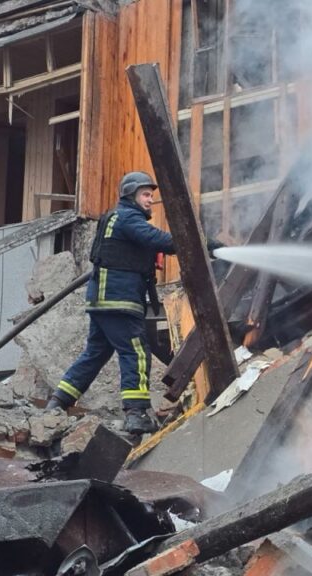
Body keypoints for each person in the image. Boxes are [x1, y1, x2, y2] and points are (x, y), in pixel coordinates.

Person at [46, 171, 221, 434]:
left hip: (103, 300)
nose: (150, 200)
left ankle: (58, 401)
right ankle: (136, 413)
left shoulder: (117, 217)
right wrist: (201, 243)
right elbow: (159, 239)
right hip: (119, 300)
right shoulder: (128, 217)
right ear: (131, 195)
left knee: (95, 354)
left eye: (151, 195)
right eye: (145, 194)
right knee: (136, 352)